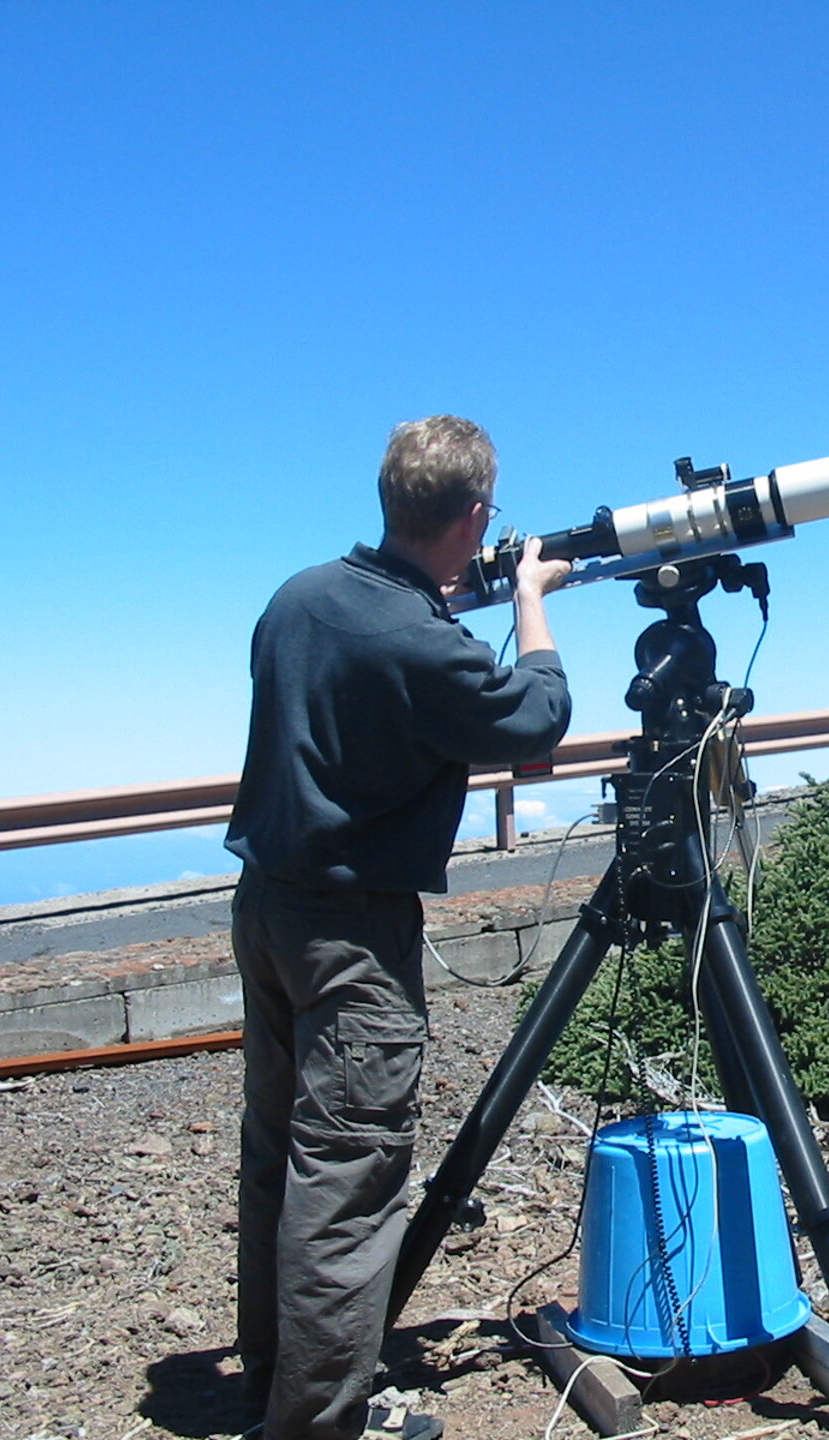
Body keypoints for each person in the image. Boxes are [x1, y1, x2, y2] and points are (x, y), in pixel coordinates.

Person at [224, 416, 574, 1440]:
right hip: (353, 933)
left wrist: (440, 604)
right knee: (347, 1178)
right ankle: (322, 1423)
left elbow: (360, 679)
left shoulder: (303, 597)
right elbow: (536, 714)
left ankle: (274, 1381)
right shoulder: (419, 639)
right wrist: (530, 604)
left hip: (268, 906)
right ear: (473, 517)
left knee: (277, 1158)